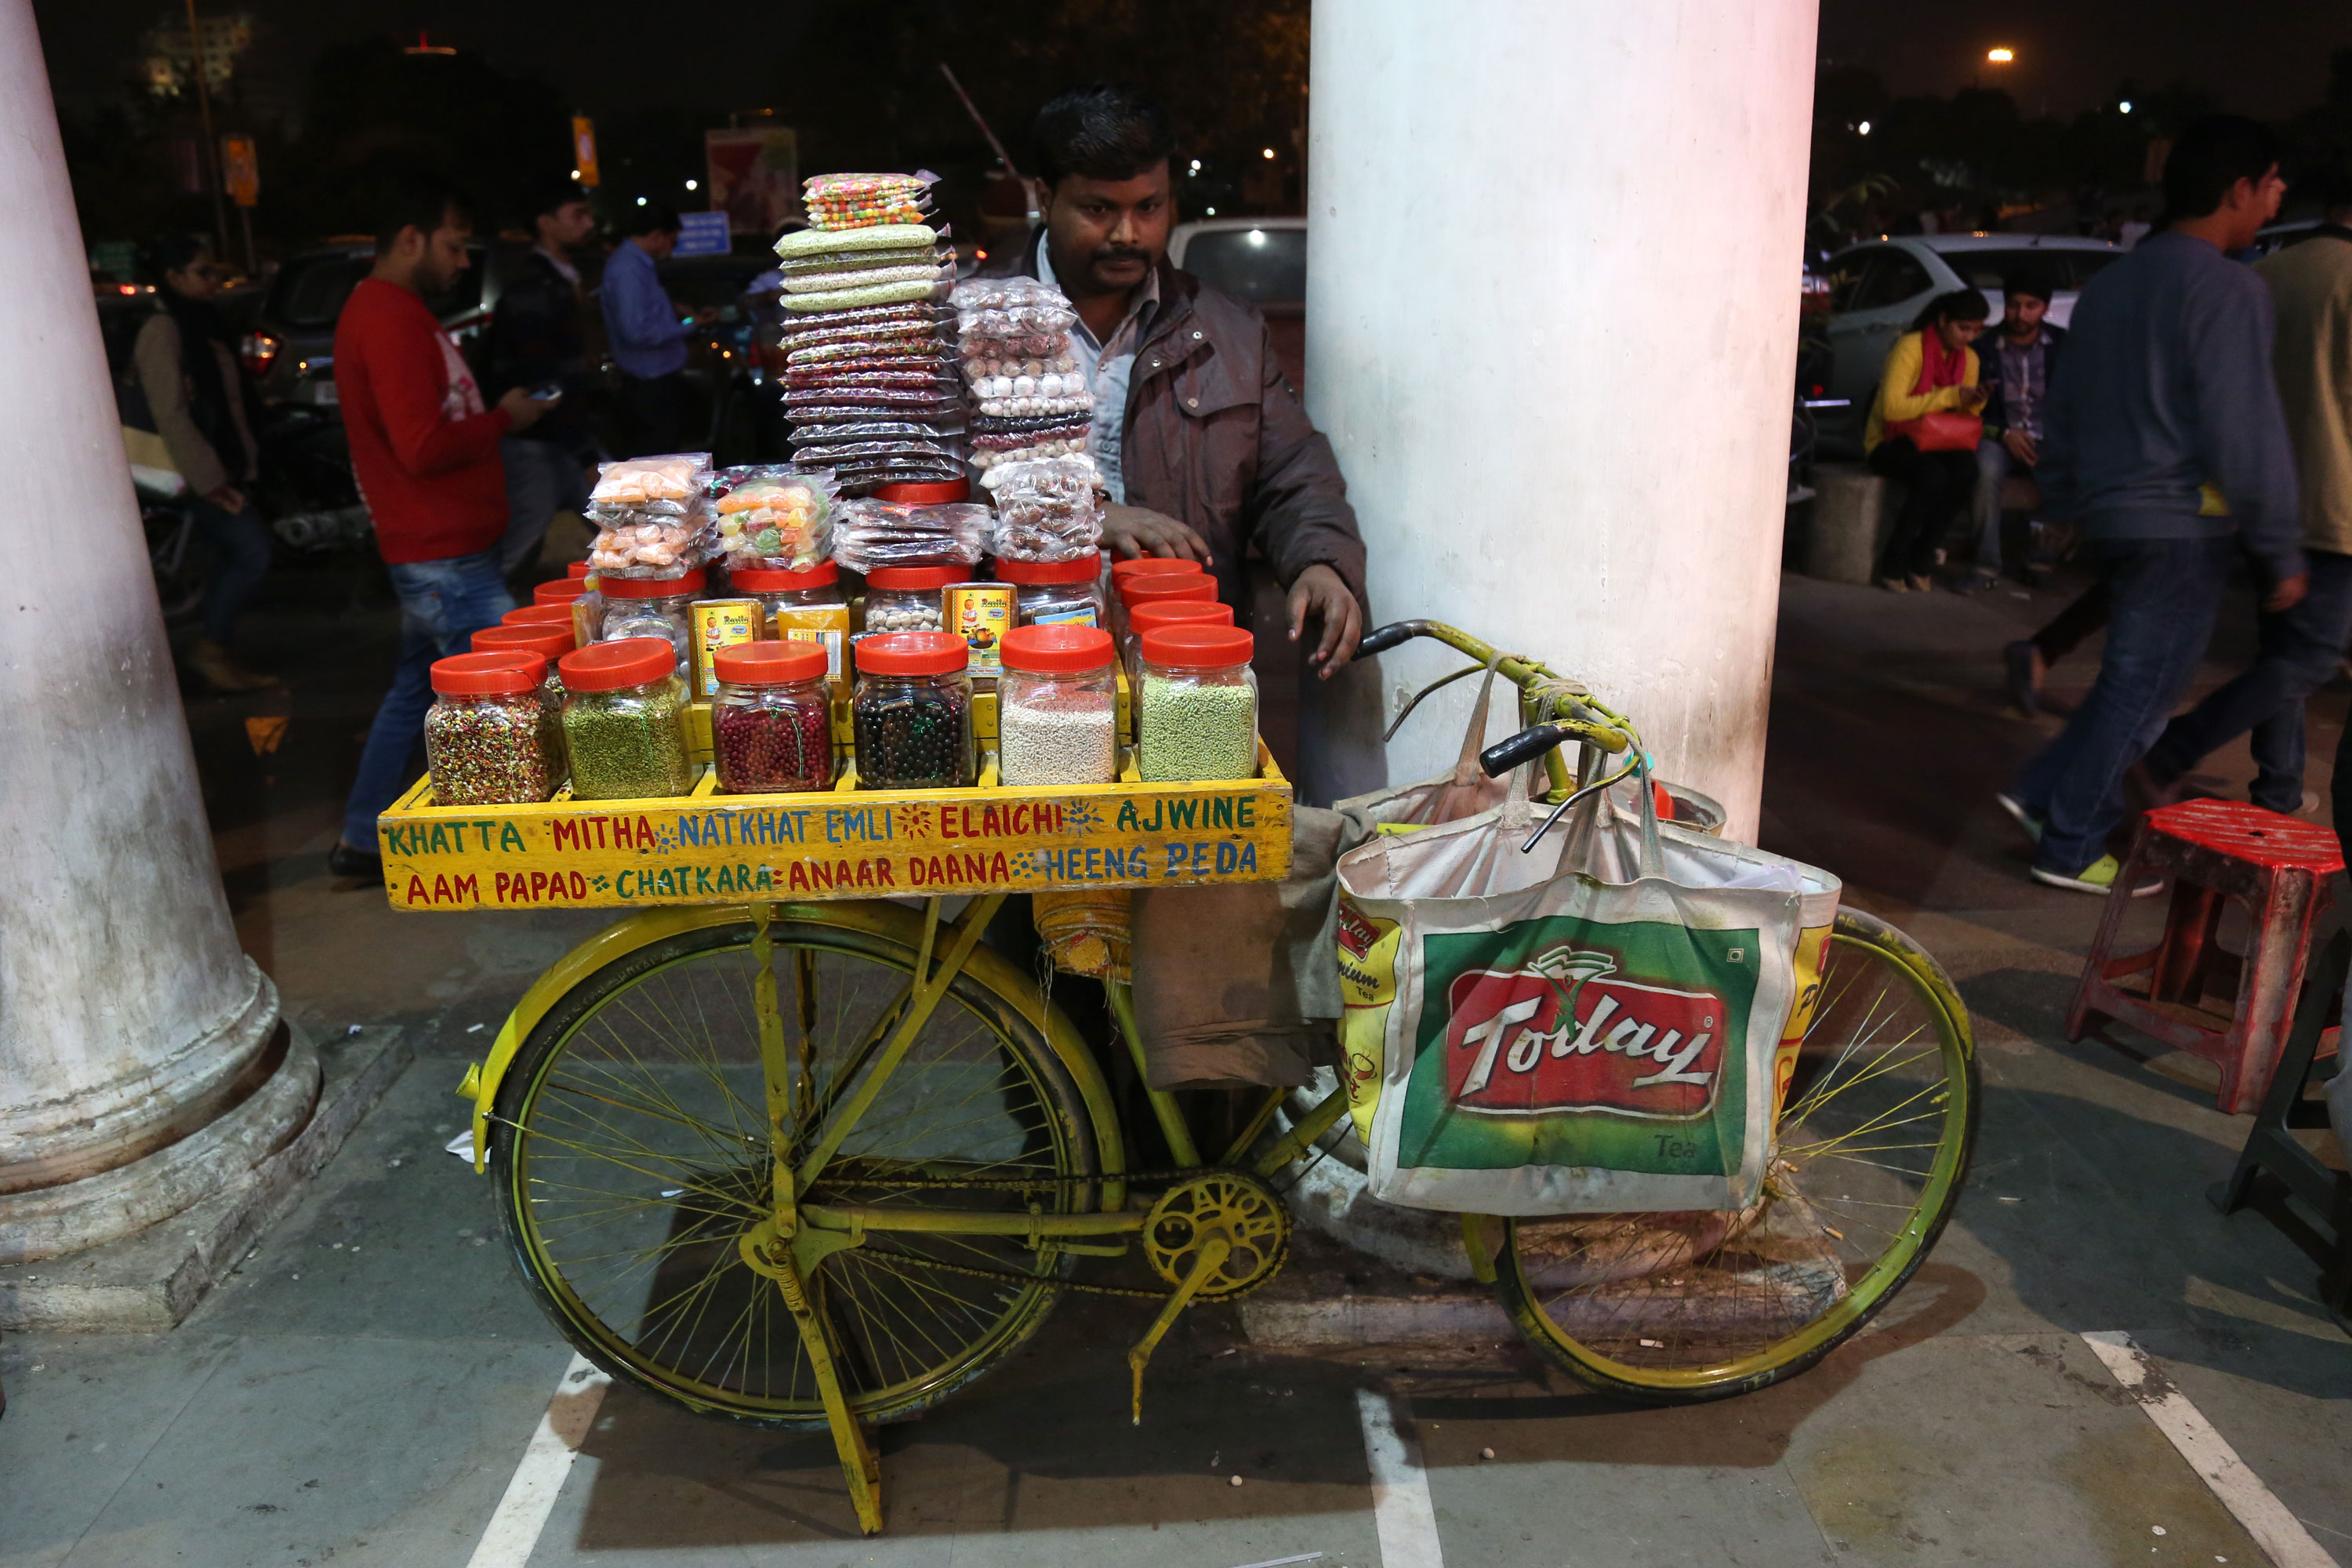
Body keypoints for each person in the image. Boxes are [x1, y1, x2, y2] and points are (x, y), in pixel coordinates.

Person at [994, 82, 1377, 802]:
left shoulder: (1227, 330)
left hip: (1183, 686)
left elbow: (1292, 473)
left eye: (1150, 207)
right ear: (1045, 195)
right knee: (1032, 901)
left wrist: (1321, 562)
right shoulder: (979, 331)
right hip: (1025, 692)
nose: (1128, 235)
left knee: (1176, 904)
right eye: (1099, 209)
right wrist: (1080, 518)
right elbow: (921, 513)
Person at [1998, 116, 2299, 895]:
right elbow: (2245, 426)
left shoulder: (2113, 283)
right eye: (2272, 182)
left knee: (2129, 684)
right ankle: (2070, 842)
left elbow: (2067, 404)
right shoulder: (2230, 288)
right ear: (2239, 188)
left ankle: (2041, 793)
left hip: (2113, 514)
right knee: (2146, 694)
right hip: (2181, 522)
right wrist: (2280, 545)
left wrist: (2061, 500)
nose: (2280, 195)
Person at [328, 176, 547, 883]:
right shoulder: (386, 318)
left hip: (443, 549)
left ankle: (364, 839)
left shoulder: (395, 312)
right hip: (442, 554)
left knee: (414, 691)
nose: (461, 263)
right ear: (410, 239)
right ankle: (509, 851)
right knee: (509, 690)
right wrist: (504, 420)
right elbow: (420, 448)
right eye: (454, 247)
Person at [2141, 175, 2352, 815]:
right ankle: (2179, 750)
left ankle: (2280, 790)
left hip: (2267, 496)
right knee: (2308, 657)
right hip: (2340, 501)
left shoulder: (2267, 274)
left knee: (2285, 653)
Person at [132, 234, 275, 691]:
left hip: (222, 465)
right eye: (203, 271)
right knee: (252, 550)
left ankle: (218, 654)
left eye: (215, 270)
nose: (214, 279)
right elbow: (169, 412)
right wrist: (211, 481)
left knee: (229, 555)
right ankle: (211, 650)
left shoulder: (204, 322)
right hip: (193, 474)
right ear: (173, 277)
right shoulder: (165, 329)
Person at [481, 180, 599, 581]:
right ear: (545, 223)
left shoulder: (560, 276)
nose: (588, 224)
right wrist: (583, 452)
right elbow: (544, 372)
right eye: (576, 215)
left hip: (560, 430)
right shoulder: (535, 285)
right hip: (541, 434)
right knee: (522, 536)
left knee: (608, 521)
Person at [1863, 289, 1990, 591]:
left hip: (1935, 439)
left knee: (1967, 470)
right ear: (1943, 320)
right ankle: (1894, 561)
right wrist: (1949, 395)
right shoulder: (1911, 347)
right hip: (1889, 440)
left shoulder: (1968, 358)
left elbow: (1960, 414)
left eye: (1976, 329)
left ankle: (1922, 555)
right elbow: (1891, 409)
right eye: (1963, 328)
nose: (1969, 337)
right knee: (1931, 475)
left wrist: (1973, 401)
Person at [1961, 269, 2066, 593]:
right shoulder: (1983, 348)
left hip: (2051, 438)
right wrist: (2005, 433)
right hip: (1998, 436)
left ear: (2045, 308)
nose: (2021, 314)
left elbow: (2079, 403)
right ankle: (1986, 565)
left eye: (2031, 306)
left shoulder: (2063, 347)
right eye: (2014, 305)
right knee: (1985, 470)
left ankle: (2041, 558)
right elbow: (1972, 416)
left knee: (2073, 469)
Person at [601, 203, 702, 456]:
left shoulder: (636, 265)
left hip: (656, 382)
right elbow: (636, 331)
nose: (672, 248)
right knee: (656, 460)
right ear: (657, 235)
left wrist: (676, 310)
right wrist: (687, 327)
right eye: (672, 241)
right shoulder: (628, 268)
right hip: (648, 385)